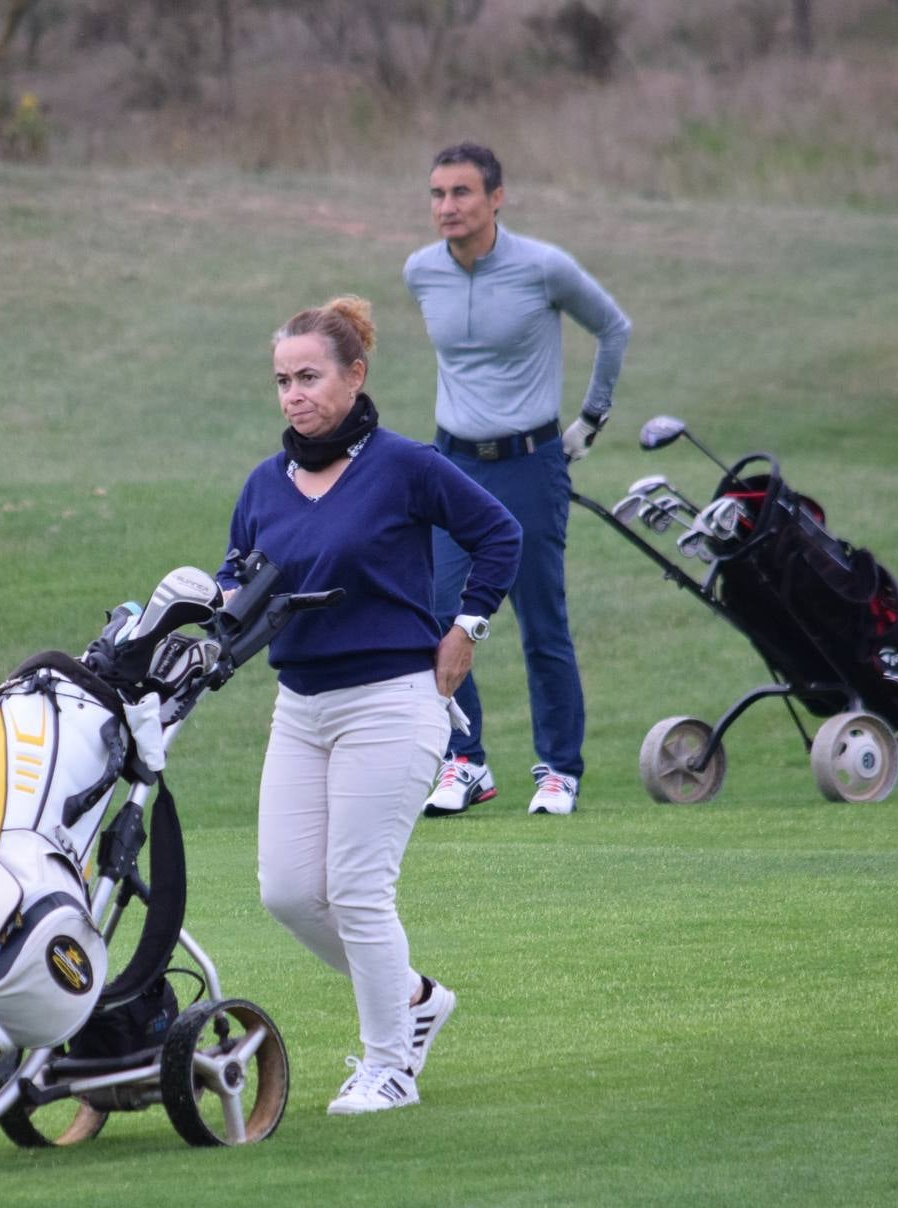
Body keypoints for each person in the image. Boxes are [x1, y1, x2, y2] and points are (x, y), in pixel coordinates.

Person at [217, 295, 521, 1115]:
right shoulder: (262, 484)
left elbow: (499, 534)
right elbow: (234, 580)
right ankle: (415, 999)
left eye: (309, 376)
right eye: (282, 381)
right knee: (287, 892)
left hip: (392, 702)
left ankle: (390, 1066)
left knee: (355, 890)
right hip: (301, 707)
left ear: (354, 374)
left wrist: (466, 625)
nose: (293, 395)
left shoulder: (405, 465)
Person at [405, 141, 631, 818]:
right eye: (438, 194)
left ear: (495, 198)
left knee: (540, 623)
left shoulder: (543, 268)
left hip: (530, 464)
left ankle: (558, 769)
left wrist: (591, 419)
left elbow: (612, 329)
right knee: (441, 615)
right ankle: (465, 762)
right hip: (452, 464)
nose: (447, 207)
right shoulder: (420, 272)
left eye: (462, 193)